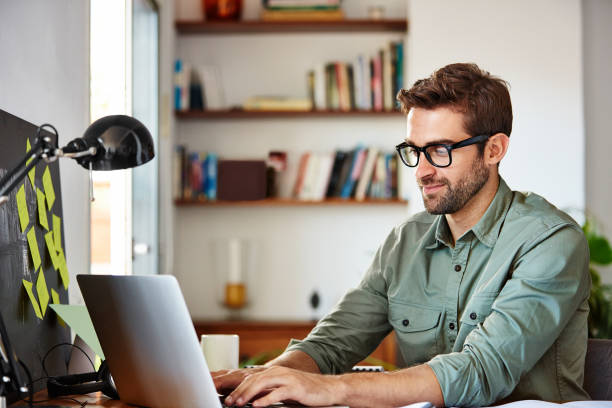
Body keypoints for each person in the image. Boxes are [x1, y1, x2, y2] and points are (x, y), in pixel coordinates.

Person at [212, 63, 591, 407]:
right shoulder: (405, 241)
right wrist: (266, 378)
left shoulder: (551, 241)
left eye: (440, 150)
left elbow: (481, 370)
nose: (422, 171)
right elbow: (332, 343)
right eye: (415, 150)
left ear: (494, 149)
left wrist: (335, 389)